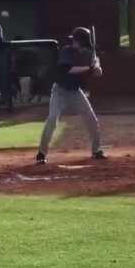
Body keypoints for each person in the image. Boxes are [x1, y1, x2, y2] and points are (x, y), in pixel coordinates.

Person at [35, 27, 105, 165]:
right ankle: (41, 153)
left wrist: (96, 66)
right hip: (60, 91)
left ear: (81, 41)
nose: (73, 42)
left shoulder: (90, 54)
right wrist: (90, 68)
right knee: (52, 119)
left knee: (92, 119)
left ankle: (96, 150)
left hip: (75, 92)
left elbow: (99, 72)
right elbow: (68, 70)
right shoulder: (67, 51)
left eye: (75, 40)